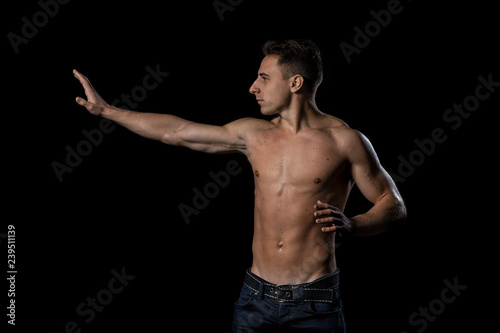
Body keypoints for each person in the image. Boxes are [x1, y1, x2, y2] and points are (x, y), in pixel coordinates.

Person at [74, 39, 406, 332]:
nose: (253, 87)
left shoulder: (345, 141)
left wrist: (353, 224)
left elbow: (393, 204)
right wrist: (107, 111)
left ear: (295, 82)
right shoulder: (254, 134)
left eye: (263, 78)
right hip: (254, 299)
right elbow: (174, 132)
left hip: (314, 302)